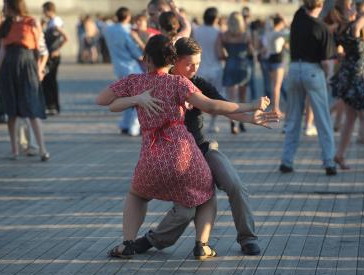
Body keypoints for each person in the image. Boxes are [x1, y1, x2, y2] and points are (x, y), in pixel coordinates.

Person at [96, 34, 273, 259]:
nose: (193, 69)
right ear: (174, 60)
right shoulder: (176, 83)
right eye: (189, 63)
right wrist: (249, 105)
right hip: (181, 155)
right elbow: (212, 106)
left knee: (233, 186)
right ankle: (183, 243)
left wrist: (248, 117)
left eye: (197, 64)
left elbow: (218, 106)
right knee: (196, 201)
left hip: (184, 151)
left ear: (148, 59)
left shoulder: (151, 81)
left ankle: (247, 238)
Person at [279, 0, 337, 176]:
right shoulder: (322, 28)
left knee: (293, 119)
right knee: (322, 119)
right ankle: (329, 162)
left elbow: (304, 9)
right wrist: (329, 77)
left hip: (294, 69)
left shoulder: (298, 17)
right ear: (321, 6)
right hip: (313, 70)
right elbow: (327, 62)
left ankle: (287, 161)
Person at [0, 0, 49, 161]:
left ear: (13, 6)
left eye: (5, 4)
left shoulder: (32, 22)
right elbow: (2, 52)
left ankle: (43, 150)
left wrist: (40, 69)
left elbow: (40, 49)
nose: (3, 8)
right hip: (9, 68)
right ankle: (14, 150)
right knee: (11, 111)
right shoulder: (6, 24)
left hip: (27, 66)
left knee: (31, 109)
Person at [330, 0, 364, 171]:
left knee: (350, 119)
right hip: (357, 77)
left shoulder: (338, 29)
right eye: (351, 5)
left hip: (345, 77)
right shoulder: (355, 27)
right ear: (346, 9)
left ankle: (340, 155)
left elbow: (339, 53)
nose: (355, 9)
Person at [103, 7, 143, 137]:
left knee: (125, 97)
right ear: (127, 17)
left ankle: (124, 125)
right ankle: (133, 127)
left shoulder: (109, 29)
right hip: (131, 67)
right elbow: (135, 52)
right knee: (137, 98)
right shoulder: (125, 31)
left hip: (118, 66)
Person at [218, 11, 254, 134]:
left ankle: (233, 123)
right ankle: (242, 123)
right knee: (242, 98)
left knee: (231, 98)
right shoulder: (246, 35)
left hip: (230, 65)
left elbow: (220, 54)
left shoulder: (224, 36)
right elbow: (251, 52)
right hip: (243, 66)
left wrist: (227, 56)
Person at [192, 7, 223, 133]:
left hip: (199, 68)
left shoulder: (196, 30)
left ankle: (198, 123)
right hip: (215, 68)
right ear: (215, 18)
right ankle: (213, 124)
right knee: (215, 98)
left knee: (197, 99)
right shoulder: (218, 32)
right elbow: (219, 52)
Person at [41, 1, 68, 115]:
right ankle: (50, 105)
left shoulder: (55, 22)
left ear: (48, 10)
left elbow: (66, 37)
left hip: (53, 56)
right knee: (47, 80)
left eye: (43, 10)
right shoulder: (51, 21)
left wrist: (57, 49)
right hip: (49, 54)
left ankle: (53, 106)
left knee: (50, 80)